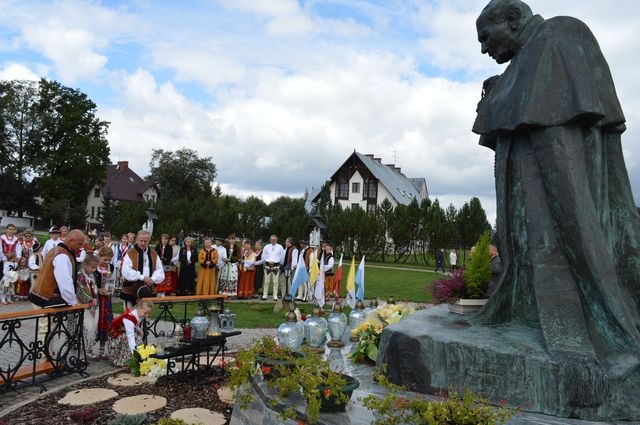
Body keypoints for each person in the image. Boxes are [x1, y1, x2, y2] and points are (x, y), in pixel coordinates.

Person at [473, 0, 640, 401]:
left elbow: (556, 145)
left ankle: (583, 332)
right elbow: (509, 120)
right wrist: (496, 97)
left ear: (512, 20)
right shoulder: (521, 63)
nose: (483, 49)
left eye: (485, 37)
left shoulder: (559, 35)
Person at [29, 229, 85, 346]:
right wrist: (73, 303)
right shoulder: (62, 255)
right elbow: (65, 281)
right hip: (44, 298)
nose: (80, 247)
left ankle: (48, 357)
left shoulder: (59, 251)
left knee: (49, 329)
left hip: (43, 296)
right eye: (79, 244)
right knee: (46, 329)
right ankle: (44, 360)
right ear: (70, 240)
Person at [120, 230, 164, 309]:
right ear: (137, 240)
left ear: (149, 241)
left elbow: (159, 271)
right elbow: (126, 271)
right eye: (141, 241)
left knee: (145, 315)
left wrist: (151, 279)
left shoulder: (153, 254)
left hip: (148, 289)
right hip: (131, 289)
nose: (143, 243)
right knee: (130, 316)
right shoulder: (130, 253)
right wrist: (142, 278)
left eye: (145, 241)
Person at [107, 299, 154, 367]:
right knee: (133, 339)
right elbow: (130, 338)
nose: (147, 315)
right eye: (145, 313)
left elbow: (135, 323)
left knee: (138, 337)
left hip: (121, 333)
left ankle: (135, 356)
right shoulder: (129, 319)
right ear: (139, 308)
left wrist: (138, 330)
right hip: (115, 338)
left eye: (148, 314)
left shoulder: (138, 314)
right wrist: (135, 355)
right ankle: (123, 361)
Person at [76, 254, 99, 359]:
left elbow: (94, 289)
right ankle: (85, 349)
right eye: (92, 267)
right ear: (85, 265)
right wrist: (90, 301)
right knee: (88, 328)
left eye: (95, 268)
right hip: (84, 306)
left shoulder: (92, 276)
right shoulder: (80, 276)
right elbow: (80, 291)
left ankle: (89, 349)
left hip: (93, 305)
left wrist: (95, 300)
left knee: (93, 328)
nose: (94, 270)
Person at [95, 246, 115, 359]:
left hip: (107, 299)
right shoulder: (95, 267)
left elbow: (113, 281)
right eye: (105, 259)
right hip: (96, 299)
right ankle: (89, 348)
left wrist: (110, 290)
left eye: (109, 260)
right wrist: (98, 290)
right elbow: (91, 283)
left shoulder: (111, 267)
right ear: (99, 257)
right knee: (95, 322)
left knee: (106, 322)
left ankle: (102, 350)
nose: (107, 262)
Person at [261, 234, 284, 301]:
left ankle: (275, 296)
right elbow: (263, 255)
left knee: (275, 282)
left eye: (274, 239)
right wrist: (266, 262)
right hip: (268, 265)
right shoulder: (266, 247)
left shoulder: (280, 247)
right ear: (270, 240)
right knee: (266, 282)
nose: (273, 241)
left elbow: (282, 256)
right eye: (272, 239)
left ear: (277, 240)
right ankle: (265, 295)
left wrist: (280, 264)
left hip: (276, 266)